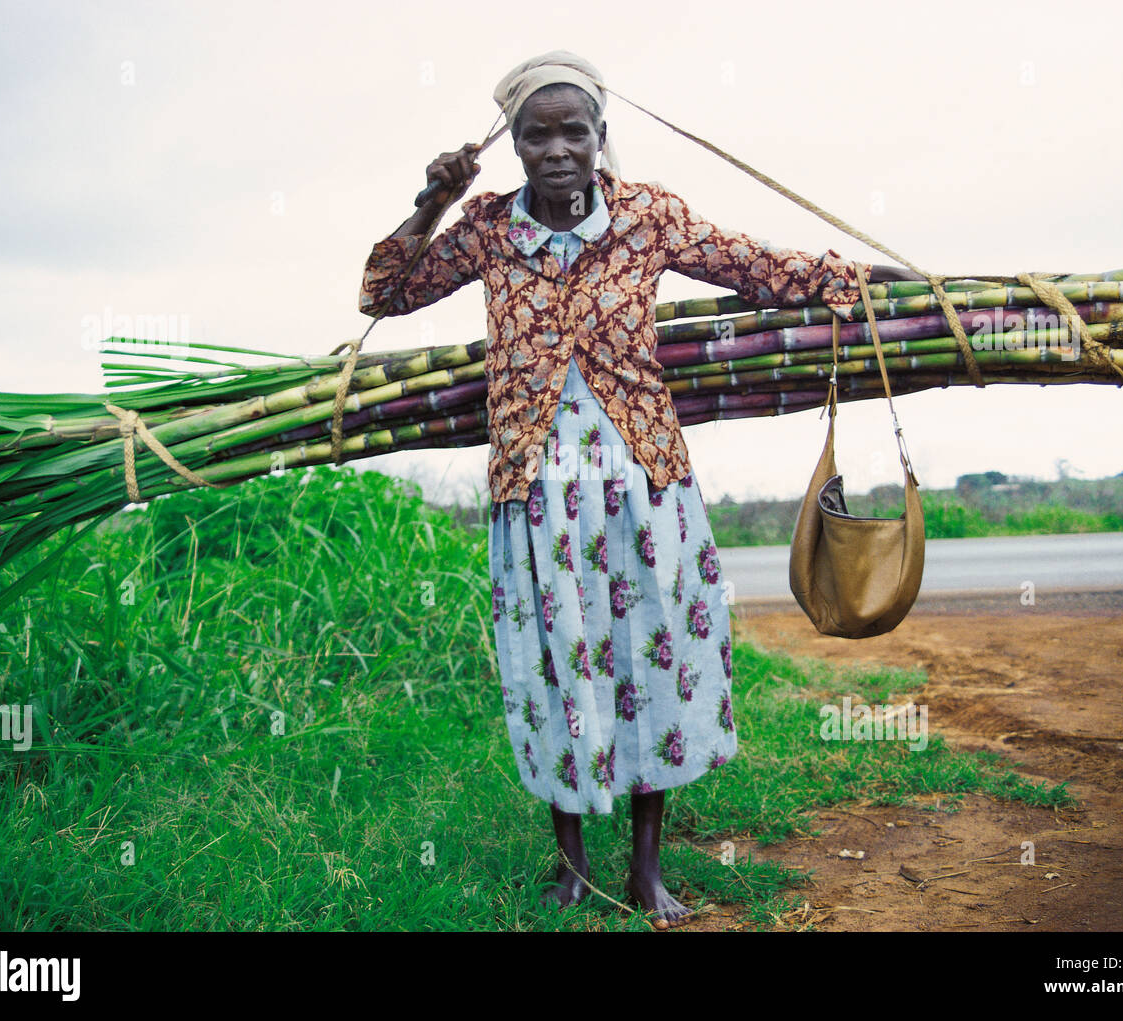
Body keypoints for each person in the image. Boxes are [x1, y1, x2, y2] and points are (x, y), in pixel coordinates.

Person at [360, 50, 923, 929]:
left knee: (650, 658)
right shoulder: (484, 229)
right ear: (511, 144)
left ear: (600, 138)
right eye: (535, 133)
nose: (555, 149)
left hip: (643, 483)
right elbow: (380, 292)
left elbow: (754, 266)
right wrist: (431, 199)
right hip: (537, 492)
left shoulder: (648, 217)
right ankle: (570, 866)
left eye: (572, 131)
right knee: (560, 667)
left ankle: (647, 868)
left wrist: (861, 284)